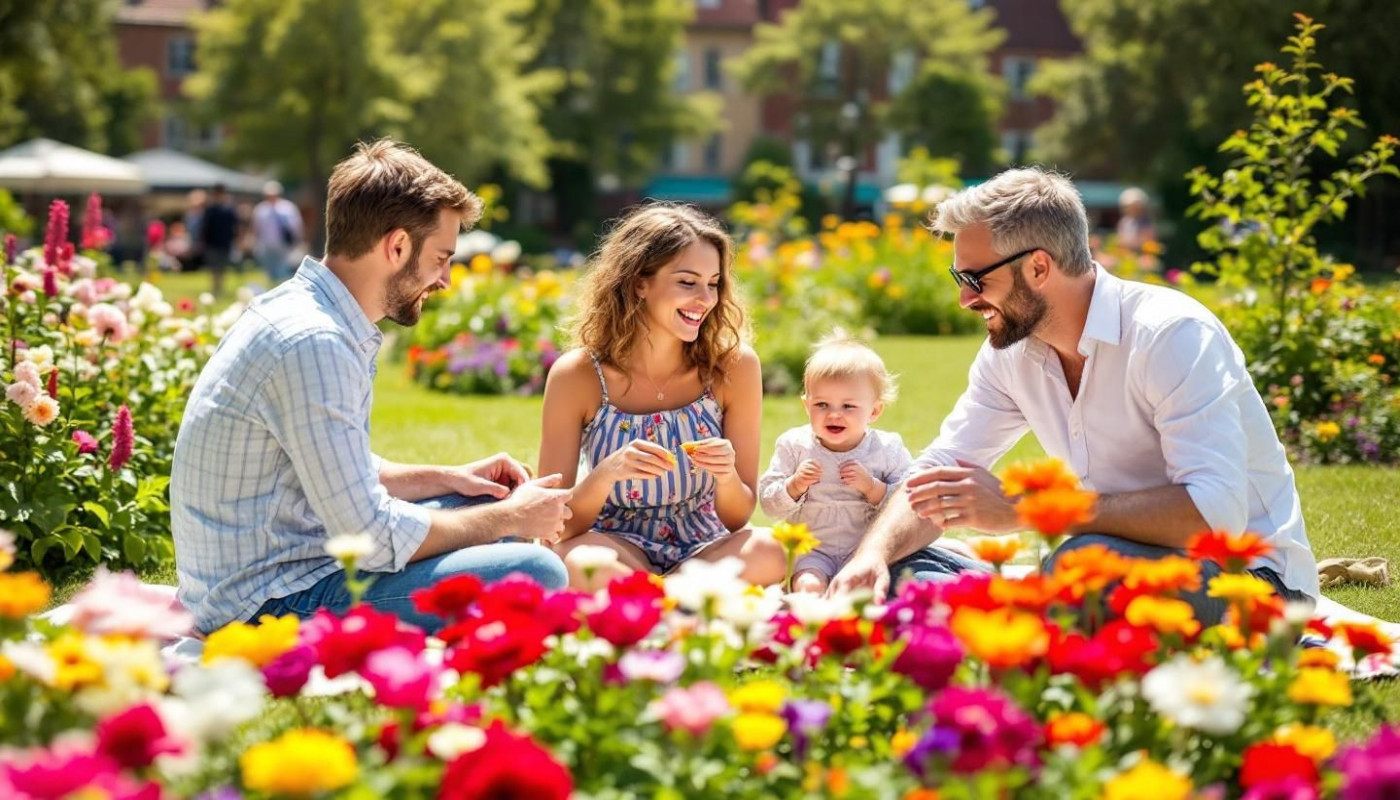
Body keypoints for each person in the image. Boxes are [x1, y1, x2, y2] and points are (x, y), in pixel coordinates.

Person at [828, 167, 1319, 626]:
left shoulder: (1170, 334)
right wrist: (871, 556)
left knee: (1081, 569)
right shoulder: (1012, 352)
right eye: (960, 279)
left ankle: (1017, 615)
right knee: (905, 569)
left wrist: (1029, 510)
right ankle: (1022, 612)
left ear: (1039, 267)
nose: (964, 299)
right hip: (1104, 560)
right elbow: (936, 472)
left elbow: (1213, 515)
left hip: (1250, 584)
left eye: (975, 279)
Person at [172, 140, 570, 635]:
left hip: (284, 562)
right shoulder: (313, 342)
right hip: (266, 602)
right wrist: (511, 520)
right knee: (537, 572)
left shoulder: (304, 313)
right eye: (442, 257)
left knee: (485, 503)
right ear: (397, 246)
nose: (445, 279)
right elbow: (371, 533)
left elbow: (341, 472)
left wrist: (451, 477)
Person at [538, 204, 785, 591]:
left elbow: (738, 519)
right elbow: (553, 524)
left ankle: (650, 600)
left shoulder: (734, 367)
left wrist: (726, 475)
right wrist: (606, 474)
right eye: (687, 282)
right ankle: (680, 601)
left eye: (714, 283)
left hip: (705, 548)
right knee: (577, 562)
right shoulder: (578, 376)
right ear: (640, 282)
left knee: (771, 550)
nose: (705, 299)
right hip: (615, 547)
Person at [758, 334, 912, 593]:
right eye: (822, 404)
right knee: (809, 586)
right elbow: (769, 504)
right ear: (807, 406)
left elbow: (907, 504)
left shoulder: (887, 449)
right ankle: (811, 617)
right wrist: (794, 486)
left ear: (874, 411)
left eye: (848, 406)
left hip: (867, 550)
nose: (834, 414)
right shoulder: (795, 446)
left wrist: (873, 488)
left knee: (866, 592)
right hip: (813, 551)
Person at [252, 180, 303, 283]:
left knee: (282, 270)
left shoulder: (288, 208)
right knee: (268, 270)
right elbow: (256, 227)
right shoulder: (261, 209)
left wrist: (297, 241)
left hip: (283, 245)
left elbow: (296, 226)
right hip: (266, 244)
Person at [200, 183, 239, 297]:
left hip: (225, 243)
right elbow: (205, 227)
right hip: (212, 243)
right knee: (213, 268)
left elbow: (235, 227)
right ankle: (215, 288)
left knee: (222, 267)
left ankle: (219, 288)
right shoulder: (210, 209)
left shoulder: (229, 209)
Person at [1115, 186, 1156, 254]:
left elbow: (1148, 242)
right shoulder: (1123, 222)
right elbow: (1119, 240)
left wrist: (1129, 243)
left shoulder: (1146, 222)